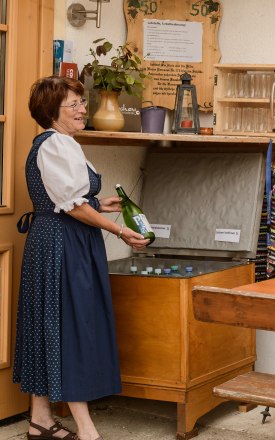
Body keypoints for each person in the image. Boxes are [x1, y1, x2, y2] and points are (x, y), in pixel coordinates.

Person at [14, 76, 150, 440]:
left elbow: (66, 199)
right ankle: (87, 430)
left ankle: (40, 420)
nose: (81, 110)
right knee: (69, 326)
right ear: (51, 112)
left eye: (80, 103)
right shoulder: (57, 144)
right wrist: (118, 229)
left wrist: (98, 204)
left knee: (51, 324)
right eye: (72, 105)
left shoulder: (61, 143)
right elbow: (70, 206)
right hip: (62, 243)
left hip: (59, 240)